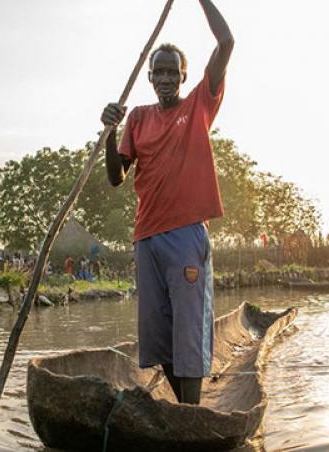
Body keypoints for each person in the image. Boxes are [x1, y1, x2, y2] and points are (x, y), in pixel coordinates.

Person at [100, 0, 233, 405]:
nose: (164, 78)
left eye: (172, 71)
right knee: (159, 335)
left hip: (185, 235)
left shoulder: (198, 106)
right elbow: (116, 176)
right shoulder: (137, 118)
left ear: (184, 76)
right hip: (146, 238)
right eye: (157, 71)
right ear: (149, 76)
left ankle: (190, 416)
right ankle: (182, 409)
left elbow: (226, 42)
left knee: (188, 330)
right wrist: (109, 132)